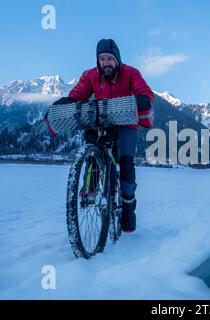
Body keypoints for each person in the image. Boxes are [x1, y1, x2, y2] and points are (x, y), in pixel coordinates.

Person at [53, 39, 155, 233]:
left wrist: (143, 100)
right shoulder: (90, 75)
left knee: (126, 163)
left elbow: (146, 93)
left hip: (125, 123)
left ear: (117, 59)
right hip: (100, 121)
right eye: (102, 59)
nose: (106, 63)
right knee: (92, 145)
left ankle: (127, 207)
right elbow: (78, 94)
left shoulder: (131, 73)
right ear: (97, 60)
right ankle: (90, 188)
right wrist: (67, 102)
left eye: (109, 58)